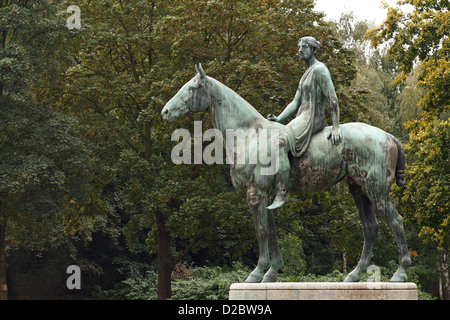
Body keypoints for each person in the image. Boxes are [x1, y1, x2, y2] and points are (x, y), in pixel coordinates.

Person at [267, 36, 341, 209]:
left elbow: (332, 98)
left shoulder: (320, 70)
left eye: (305, 47)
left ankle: (282, 192)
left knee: (280, 142)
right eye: (299, 47)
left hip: (313, 118)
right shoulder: (304, 75)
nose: (300, 50)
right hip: (302, 116)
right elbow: (295, 102)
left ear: (313, 50)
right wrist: (279, 118)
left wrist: (336, 126)